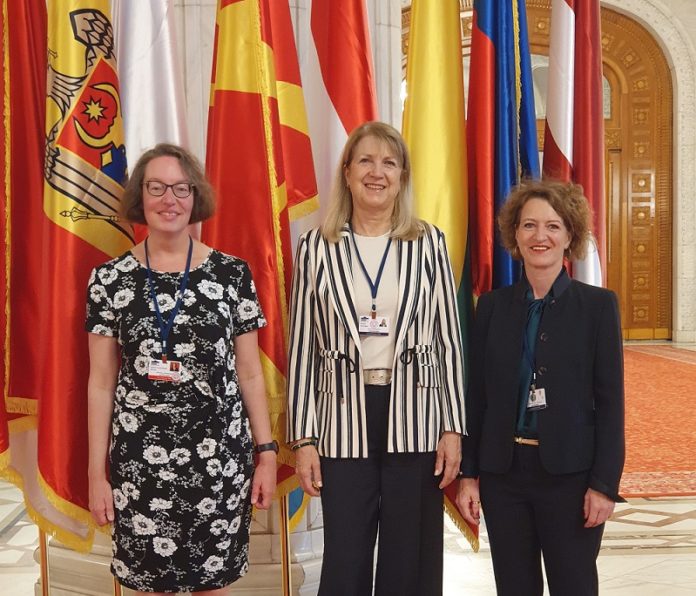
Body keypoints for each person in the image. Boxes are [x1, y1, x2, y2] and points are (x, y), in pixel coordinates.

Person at [86, 143, 277, 595]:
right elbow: (100, 383)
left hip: (219, 460)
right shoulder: (108, 280)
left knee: (213, 586)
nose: (169, 199)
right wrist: (97, 474)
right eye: (157, 188)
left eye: (181, 188)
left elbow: (250, 373)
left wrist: (266, 453)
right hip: (140, 465)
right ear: (140, 195)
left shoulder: (232, 275)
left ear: (196, 196)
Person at [286, 121, 466, 596]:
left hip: (416, 414)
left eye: (389, 163)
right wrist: (304, 439)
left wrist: (452, 428)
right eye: (365, 160)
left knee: (409, 554)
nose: (377, 172)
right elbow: (303, 347)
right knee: (346, 554)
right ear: (347, 172)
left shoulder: (429, 243)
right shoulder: (316, 247)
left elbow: (448, 341)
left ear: (402, 176)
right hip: (341, 415)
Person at [457, 180, 625, 596]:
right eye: (529, 225)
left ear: (570, 235)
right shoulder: (492, 307)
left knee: (574, 585)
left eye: (553, 226)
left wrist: (604, 485)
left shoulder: (598, 307)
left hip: (571, 477)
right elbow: (477, 398)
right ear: (515, 234)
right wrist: (469, 475)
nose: (540, 236)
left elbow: (611, 405)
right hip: (503, 476)